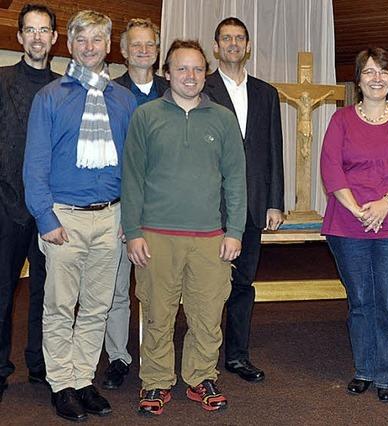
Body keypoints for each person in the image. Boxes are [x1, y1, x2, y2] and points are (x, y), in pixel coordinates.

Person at [23, 10, 137, 421]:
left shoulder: (122, 100)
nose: (89, 47)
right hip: (64, 220)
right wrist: (45, 217)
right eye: (82, 39)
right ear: (69, 45)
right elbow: (34, 164)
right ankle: (61, 383)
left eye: (97, 40)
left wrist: (130, 217)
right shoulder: (50, 97)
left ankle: (84, 379)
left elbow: (132, 166)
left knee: (96, 306)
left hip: (111, 218)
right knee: (59, 306)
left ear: (109, 46)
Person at [122, 39, 246, 415]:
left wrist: (235, 231)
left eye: (196, 69)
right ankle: (156, 382)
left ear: (204, 73)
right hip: (156, 236)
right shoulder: (146, 117)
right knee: (157, 315)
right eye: (181, 68)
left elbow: (236, 180)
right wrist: (133, 232)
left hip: (210, 239)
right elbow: (132, 178)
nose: (189, 76)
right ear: (167, 73)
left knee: (207, 316)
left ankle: (201, 378)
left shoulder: (223, 119)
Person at [321, 47, 388, 403]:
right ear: (358, 80)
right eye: (369, 72)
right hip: (348, 223)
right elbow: (331, 167)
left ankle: (387, 373)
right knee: (361, 300)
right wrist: (355, 208)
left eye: (383, 72)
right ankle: (364, 369)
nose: (377, 78)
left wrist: (385, 203)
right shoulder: (341, 120)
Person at [203, 17, 284, 383]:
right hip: (209, 208)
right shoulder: (200, 89)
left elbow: (273, 150)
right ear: (216, 47)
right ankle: (202, 360)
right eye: (226, 39)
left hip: (251, 208)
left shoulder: (266, 93)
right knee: (205, 288)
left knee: (242, 285)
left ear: (248, 46)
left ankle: (236, 356)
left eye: (239, 39)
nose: (233, 44)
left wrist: (274, 202)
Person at [101, 17, 168, 392]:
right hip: (121, 206)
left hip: (164, 208)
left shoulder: (174, 90)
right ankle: (118, 357)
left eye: (150, 45)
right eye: (135, 45)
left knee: (160, 288)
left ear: (157, 51)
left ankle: (156, 357)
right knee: (114, 290)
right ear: (123, 51)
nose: (143, 51)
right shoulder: (108, 93)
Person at [0, 3, 58, 403]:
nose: (37, 36)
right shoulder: (1, 81)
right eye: (30, 30)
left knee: (47, 292)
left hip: (51, 211)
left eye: (44, 30)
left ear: (55, 38)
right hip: (5, 206)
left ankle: (40, 365)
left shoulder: (64, 89)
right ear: (19, 37)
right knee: (2, 292)